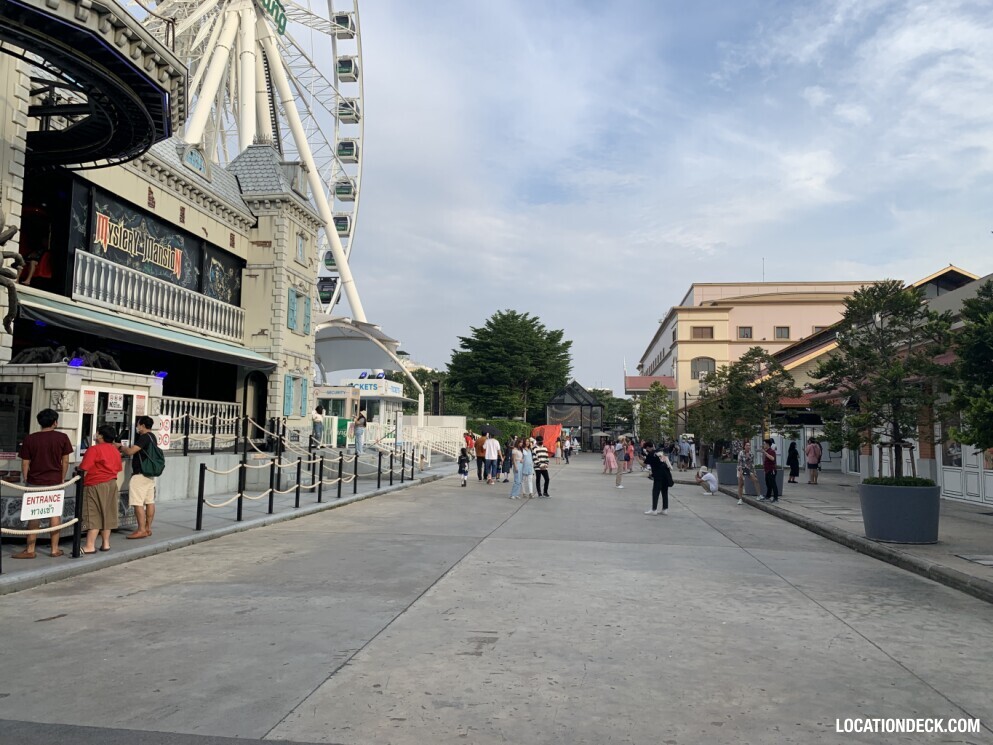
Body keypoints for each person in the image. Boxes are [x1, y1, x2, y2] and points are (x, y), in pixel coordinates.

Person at [13, 408, 74, 559]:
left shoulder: (30, 439)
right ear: (55, 422)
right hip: (54, 481)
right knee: (54, 514)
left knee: (34, 514)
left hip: (35, 481)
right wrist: (61, 477)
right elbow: (65, 460)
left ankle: (30, 549)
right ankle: (54, 549)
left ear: (39, 422)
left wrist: (26, 478)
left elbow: (25, 462)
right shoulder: (62, 438)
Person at [78, 425, 123, 553]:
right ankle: (106, 543)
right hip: (111, 483)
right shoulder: (115, 450)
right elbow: (119, 467)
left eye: (97, 433)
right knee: (107, 513)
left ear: (100, 436)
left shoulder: (94, 449)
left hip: (95, 483)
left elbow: (84, 468)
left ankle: (90, 545)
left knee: (93, 513)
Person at [119, 416, 158, 539]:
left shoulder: (144, 437)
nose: (137, 427)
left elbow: (131, 451)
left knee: (137, 503)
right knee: (149, 501)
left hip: (140, 474)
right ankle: (148, 528)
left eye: (138, 424)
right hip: (150, 474)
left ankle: (141, 530)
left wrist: (120, 447)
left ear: (142, 425)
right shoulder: (153, 437)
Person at [639, 441, 673, 515]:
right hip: (666, 473)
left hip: (658, 474)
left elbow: (644, 465)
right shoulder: (659, 452)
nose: (646, 450)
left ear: (648, 447)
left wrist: (639, 460)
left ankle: (654, 509)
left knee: (655, 491)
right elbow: (662, 461)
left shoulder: (650, 454)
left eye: (646, 449)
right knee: (664, 491)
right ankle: (665, 509)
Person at [736, 441, 761, 505]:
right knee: (741, 484)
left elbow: (752, 464)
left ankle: (759, 495)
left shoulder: (751, 454)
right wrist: (740, 472)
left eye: (749, 445)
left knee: (755, 480)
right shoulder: (741, 453)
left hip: (748, 469)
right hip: (741, 469)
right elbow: (739, 463)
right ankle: (740, 499)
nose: (748, 446)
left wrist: (754, 472)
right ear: (744, 446)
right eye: (747, 445)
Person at [759, 438, 779, 502]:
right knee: (768, 484)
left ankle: (775, 498)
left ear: (768, 444)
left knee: (773, 484)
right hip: (767, 470)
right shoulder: (767, 451)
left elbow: (772, 458)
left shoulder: (771, 451)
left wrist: (764, 452)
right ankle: (768, 496)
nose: (764, 445)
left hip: (771, 470)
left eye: (764, 444)